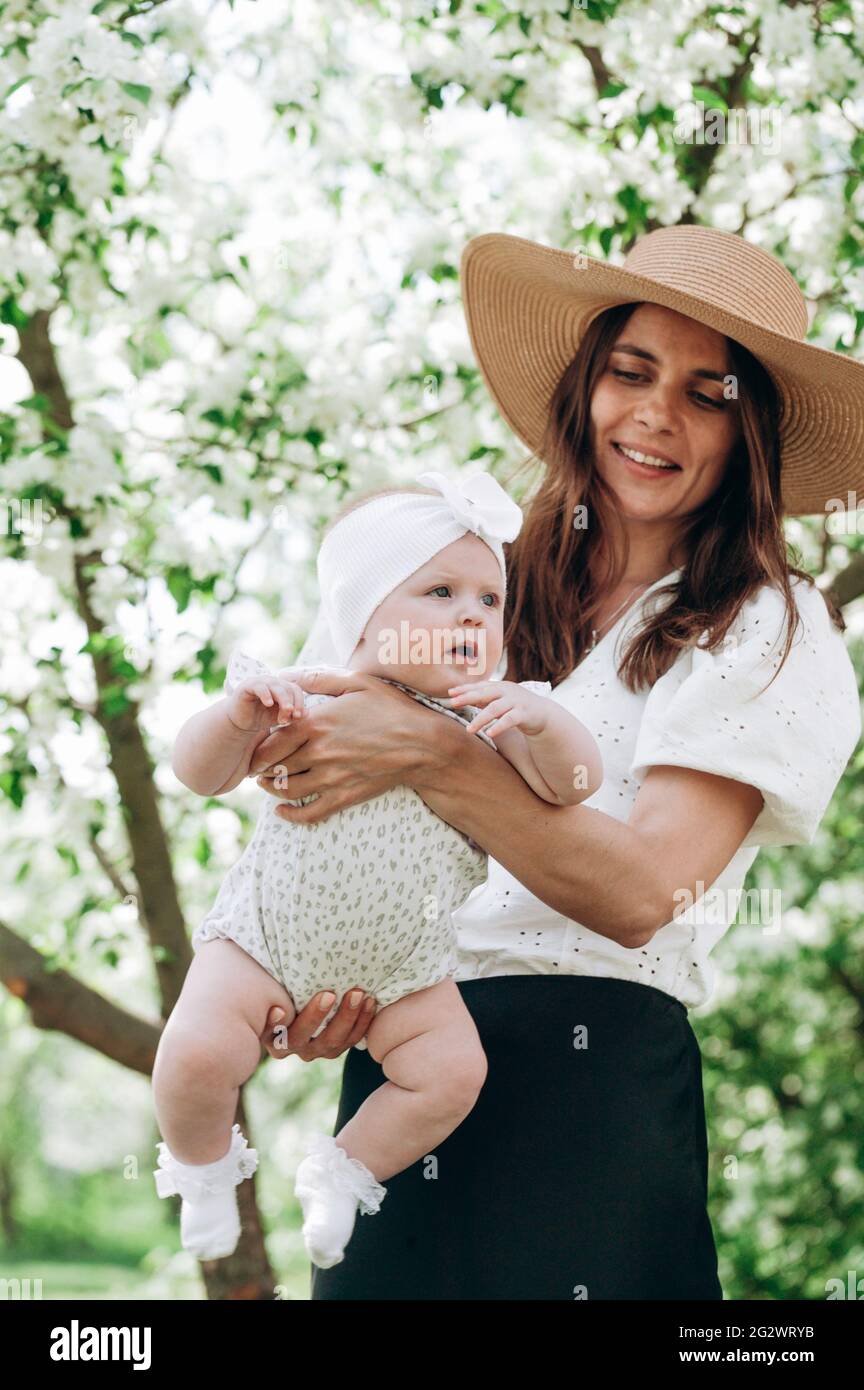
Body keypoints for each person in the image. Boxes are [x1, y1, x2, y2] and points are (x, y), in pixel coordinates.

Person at [252, 225, 863, 1300]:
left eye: (707, 392)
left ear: (749, 432)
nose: (656, 414)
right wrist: (304, 974)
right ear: (587, 387)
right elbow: (315, 773)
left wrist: (433, 753)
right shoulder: (466, 584)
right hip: (404, 1067)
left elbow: (643, 890)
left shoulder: (770, 623)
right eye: (631, 371)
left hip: (594, 1091)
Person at [152, 470, 603, 1269]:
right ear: (362, 610)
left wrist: (548, 720)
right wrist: (234, 716)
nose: (470, 612)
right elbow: (199, 772)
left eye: (488, 600)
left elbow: (574, 788)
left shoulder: (491, 725)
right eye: (438, 591)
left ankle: (343, 1170)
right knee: (194, 1055)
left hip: (407, 974)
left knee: (452, 1074)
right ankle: (203, 1169)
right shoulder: (309, 697)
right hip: (261, 945)